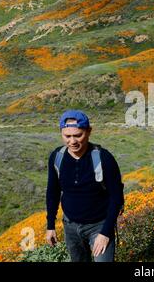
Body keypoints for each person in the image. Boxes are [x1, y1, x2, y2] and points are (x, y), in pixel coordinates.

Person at [45, 109, 124, 262]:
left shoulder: (104, 158)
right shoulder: (57, 157)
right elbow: (52, 192)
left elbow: (116, 197)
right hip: (70, 227)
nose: (72, 141)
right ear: (61, 133)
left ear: (88, 131)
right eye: (67, 136)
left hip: (99, 226)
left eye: (78, 135)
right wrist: (50, 226)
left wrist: (106, 233)